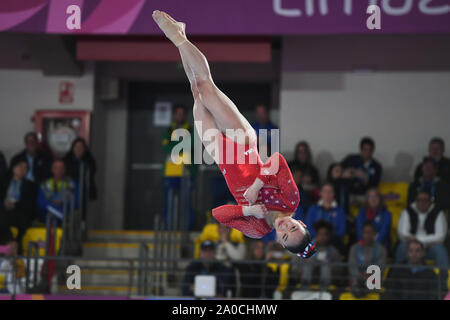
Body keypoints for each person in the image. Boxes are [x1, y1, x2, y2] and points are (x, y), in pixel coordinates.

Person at [152, 11, 316, 259]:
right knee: (207, 88)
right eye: (293, 227)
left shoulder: (256, 229)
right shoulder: (290, 201)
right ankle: (177, 37)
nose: (284, 227)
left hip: (221, 155)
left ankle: (181, 34)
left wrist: (249, 211)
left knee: (196, 92)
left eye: (284, 235)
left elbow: (218, 214)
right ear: (301, 223)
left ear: (280, 244)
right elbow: (277, 161)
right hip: (244, 144)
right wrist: (259, 185)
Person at [161, 104, 196, 230]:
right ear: (175, 115)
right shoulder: (169, 129)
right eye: (178, 113)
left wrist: (175, 145)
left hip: (186, 172)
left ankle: (187, 229)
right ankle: (168, 229)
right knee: (168, 203)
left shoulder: (191, 129)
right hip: (170, 173)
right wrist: (181, 145)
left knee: (186, 204)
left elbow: (191, 145)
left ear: (185, 115)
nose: (180, 116)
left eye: (182, 113)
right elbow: (166, 147)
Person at [396, 190, 448, 272]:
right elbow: (402, 233)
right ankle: (396, 277)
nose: (422, 203)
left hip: (430, 248)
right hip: (411, 247)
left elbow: (441, 236)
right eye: (419, 200)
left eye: (425, 200)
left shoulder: (438, 212)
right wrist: (415, 244)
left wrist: (417, 240)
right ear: (415, 201)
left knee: (440, 250)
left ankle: (443, 282)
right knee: (402, 247)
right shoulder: (407, 211)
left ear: (430, 201)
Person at [0, 158, 37, 253]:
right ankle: (7, 246)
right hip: (3, 211)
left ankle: (13, 247)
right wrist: (4, 204)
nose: (21, 169)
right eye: (19, 167)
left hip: (19, 214)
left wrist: (15, 205)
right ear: (13, 168)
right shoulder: (3, 182)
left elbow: (30, 206)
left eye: (25, 169)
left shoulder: (30, 186)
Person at [292, 221, 340, 289]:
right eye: (320, 234)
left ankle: (324, 289)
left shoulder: (333, 251)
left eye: (325, 234)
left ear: (329, 236)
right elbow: (296, 265)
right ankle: (304, 287)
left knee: (325, 264)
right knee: (310, 261)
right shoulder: (306, 246)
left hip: (326, 280)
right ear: (316, 234)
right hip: (307, 277)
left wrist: (330, 266)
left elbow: (339, 269)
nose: (322, 237)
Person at [348, 222, 387, 298]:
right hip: (357, 279)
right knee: (356, 281)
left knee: (370, 282)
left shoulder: (381, 249)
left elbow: (380, 267)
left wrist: (368, 275)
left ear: (374, 234)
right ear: (362, 233)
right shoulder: (354, 248)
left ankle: (362, 291)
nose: (368, 235)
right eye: (366, 232)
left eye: (370, 232)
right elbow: (352, 267)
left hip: (373, 279)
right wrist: (360, 276)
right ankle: (360, 290)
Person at [63, 138, 97, 223]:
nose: (78, 150)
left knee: (84, 216)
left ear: (84, 149)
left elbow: (91, 172)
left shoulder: (89, 160)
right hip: (70, 192)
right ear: (73, 148)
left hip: (85, 192)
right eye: (76, 147)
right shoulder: (67, 159)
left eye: (81, 147)